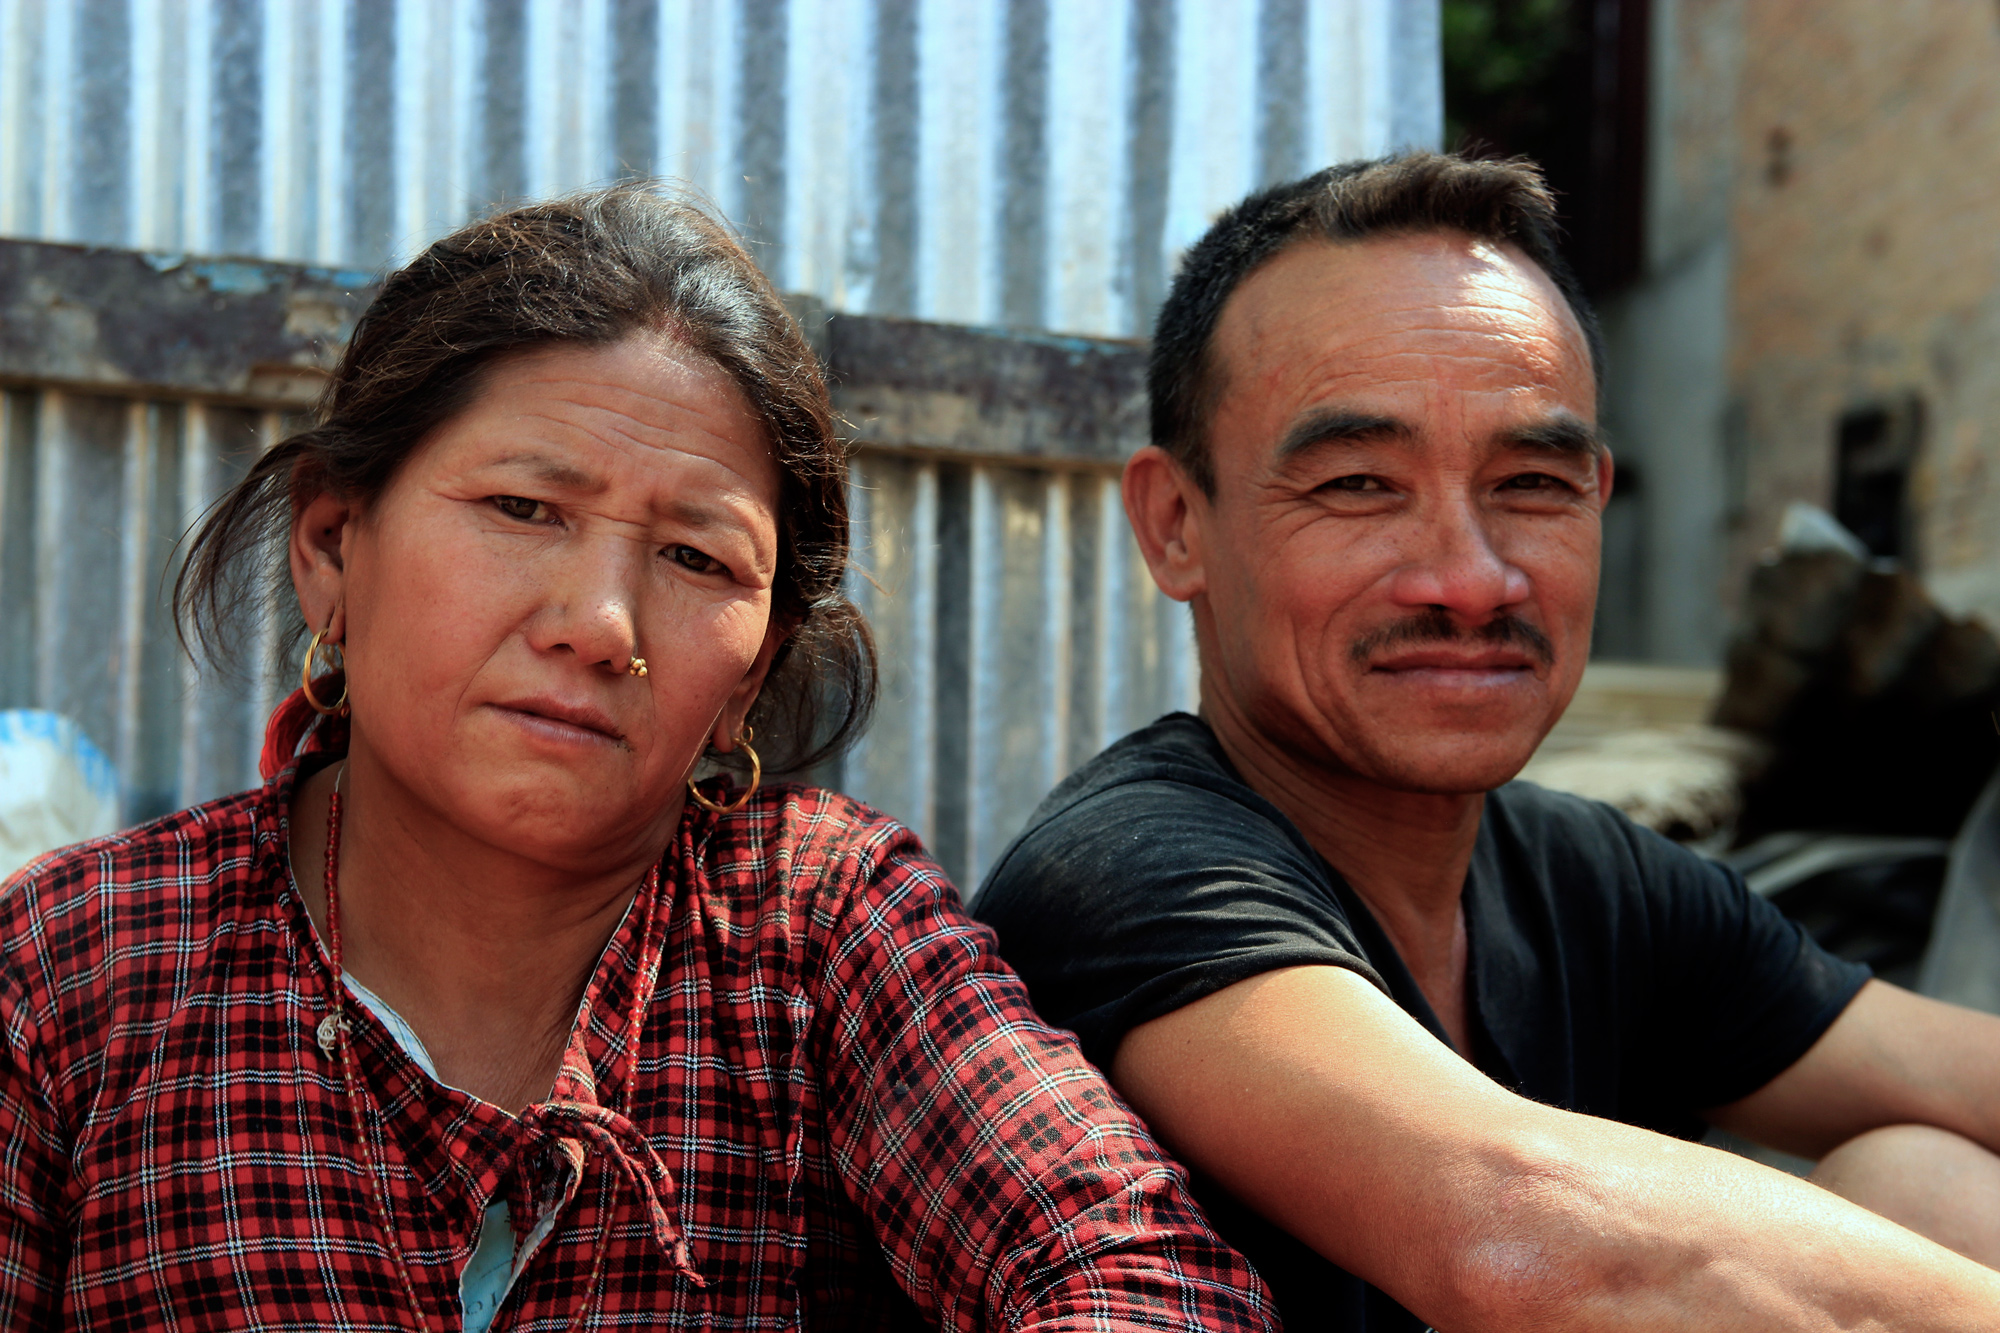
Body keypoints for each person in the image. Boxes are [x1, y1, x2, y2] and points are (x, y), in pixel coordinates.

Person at [0, 187, 1275, 1333]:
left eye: (694, 559)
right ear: (333, 543)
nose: (598, 624)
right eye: (521, 508)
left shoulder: (822, 928)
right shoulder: (75, 967)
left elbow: (1137, 1277)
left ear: (753, 678)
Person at [975, 153, 2000, 1331]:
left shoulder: (1586, 879)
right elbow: (1516, 1228)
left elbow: (1952, 1078)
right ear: (1175, 525)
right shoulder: (1125, 873)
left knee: (1921, 1176)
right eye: (1359, 483)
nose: (1468, 577)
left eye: (1529, 483)